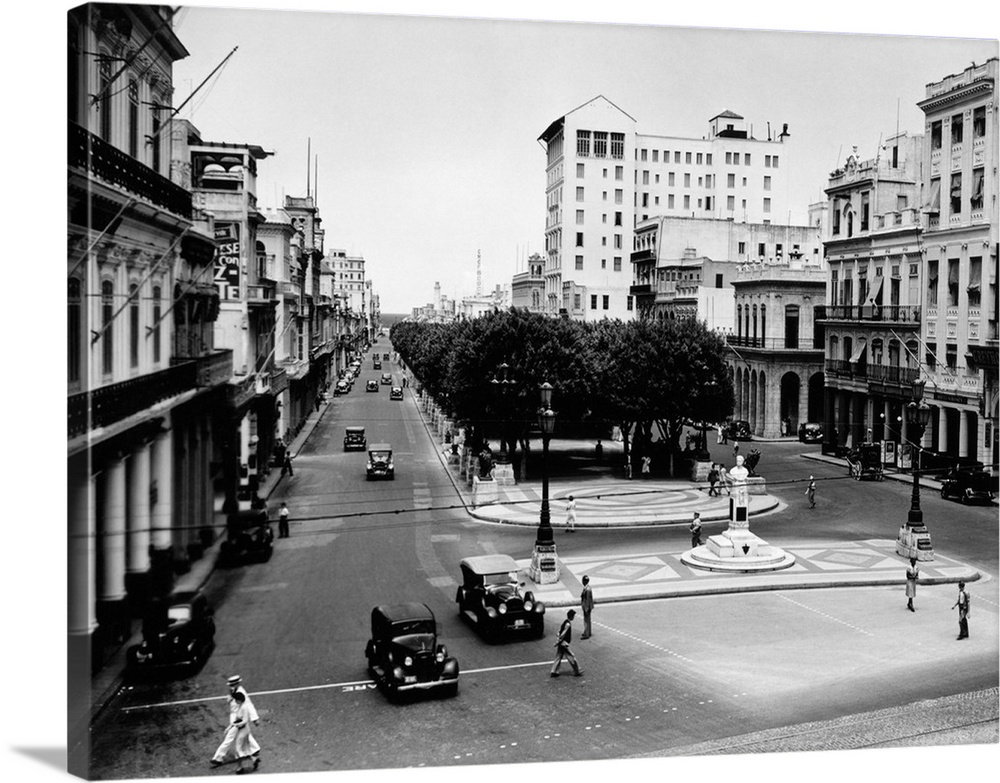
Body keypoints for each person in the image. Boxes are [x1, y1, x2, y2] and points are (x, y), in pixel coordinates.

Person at [211, 675, 260, 769]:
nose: (231, 686)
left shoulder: (241, 692)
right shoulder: (233, 691)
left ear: (238, 683)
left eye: (233, 684)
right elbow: (230, 702)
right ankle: (254, 751)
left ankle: (218, 757)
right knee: (244, 736)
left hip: (238, 718)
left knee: (229, 738)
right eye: (231, 684)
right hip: (235, 717)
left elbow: (249, 705)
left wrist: (254, 718)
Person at [230, 691, 258, 775]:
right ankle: (254, 759)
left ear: (239, 700)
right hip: (245, 730)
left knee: (238, 748)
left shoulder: (244, 707)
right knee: (245, 747)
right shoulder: (241, 706)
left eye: (236, 700)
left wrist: (236, 725)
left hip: (243, 730)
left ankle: (240, 767)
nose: (235, 701)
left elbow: (245, 720)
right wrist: (231, 726)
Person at [550, 609, 582, 677]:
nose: (574, 617)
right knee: (571, 656)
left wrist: (558, 639)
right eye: (573, 616)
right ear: (571, 616)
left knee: (558, 656)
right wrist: (559, 641)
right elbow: (563, 634)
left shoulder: (564, 622)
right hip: (564, 643)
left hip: (561, 642)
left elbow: (559, 631)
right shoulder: (568, 624)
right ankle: (577, 671)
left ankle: (554, 671)